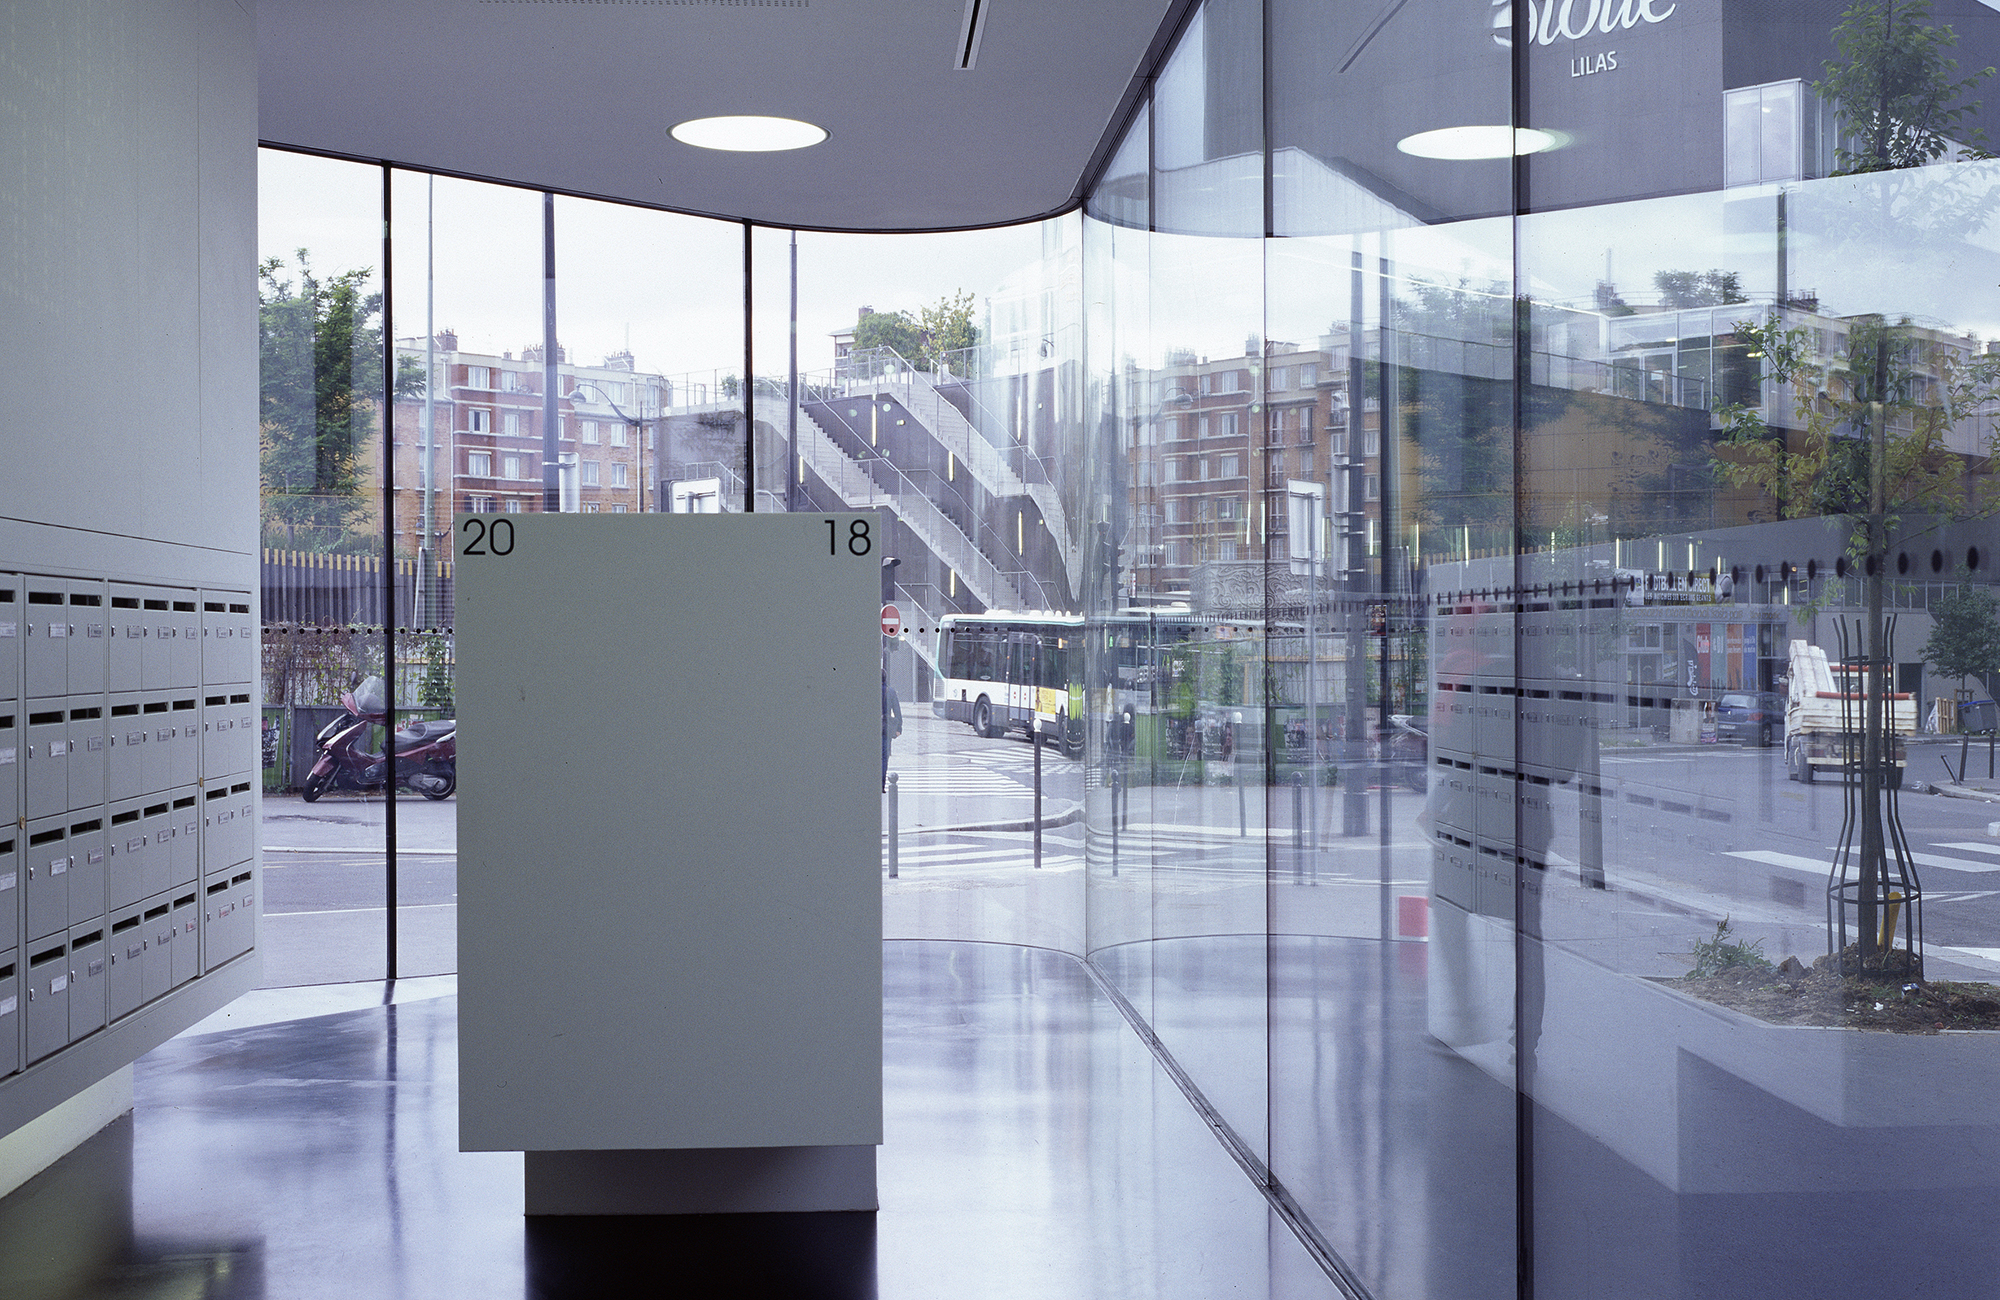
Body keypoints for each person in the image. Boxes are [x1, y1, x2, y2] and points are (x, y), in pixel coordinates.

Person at [882, 672, 903, 792]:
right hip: (885, 728)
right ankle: (881, 785)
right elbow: (897, 711)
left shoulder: (869, 690)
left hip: (871, 729)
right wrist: (898, 728)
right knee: (884, 757)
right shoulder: (890, 691)